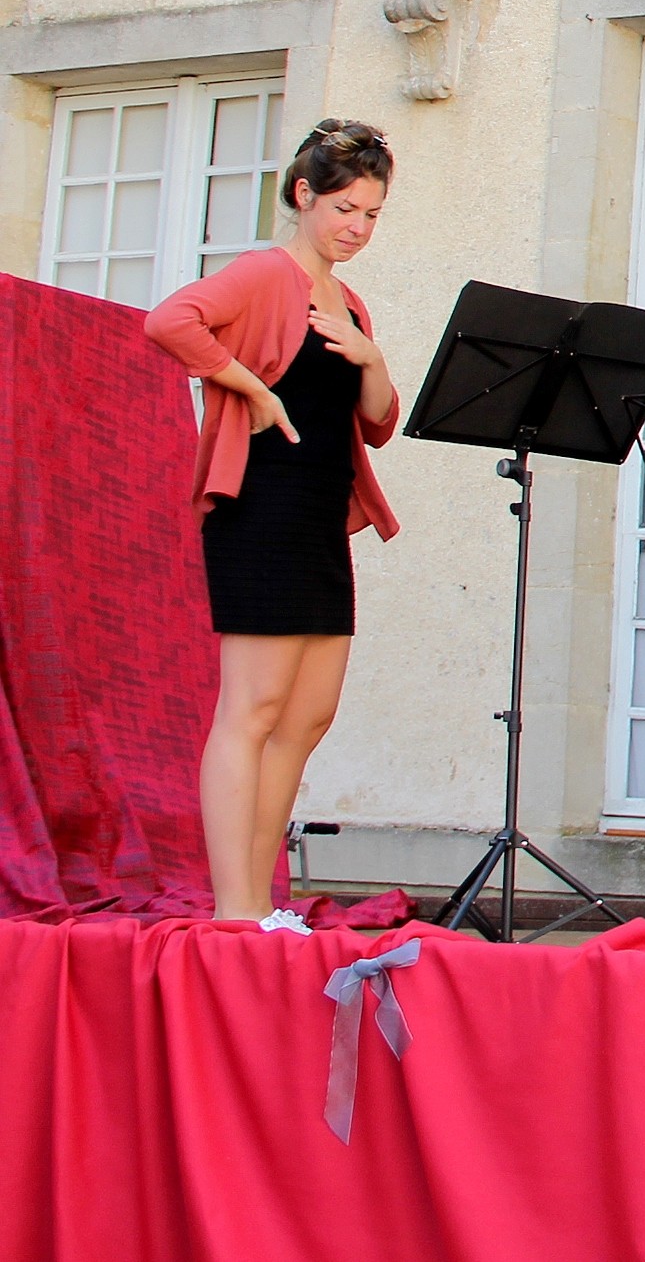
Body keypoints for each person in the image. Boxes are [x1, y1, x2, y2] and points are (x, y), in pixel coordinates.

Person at [146, 119, 401, 930]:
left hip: (323, 513)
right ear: (304, 196)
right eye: (345, 209)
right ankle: (236, 911)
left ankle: (263, 904)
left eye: (371, 214)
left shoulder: (350, 300)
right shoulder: (264, 274)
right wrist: (249, 388)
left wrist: (372, 359)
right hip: (262, 507)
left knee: (306, 718)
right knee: (250, 713)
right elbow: (171, 319)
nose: (357, 228)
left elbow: (377, 422)